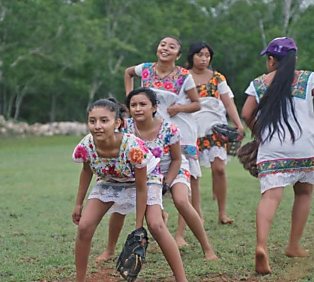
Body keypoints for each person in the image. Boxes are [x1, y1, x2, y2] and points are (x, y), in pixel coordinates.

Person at [240, 37, 314, 275]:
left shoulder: (259, 83)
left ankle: (261, 246)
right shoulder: (308, 78)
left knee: (270, 197)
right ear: (294, 59)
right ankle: (293, 245)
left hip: (272, 148)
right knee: (303, 193)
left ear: (271, 60)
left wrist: (258, 132)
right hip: (304, 147)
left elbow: (246, 112)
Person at [96, 88, 218, 263]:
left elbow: (176, 159)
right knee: (120, 205)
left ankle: (207, 248)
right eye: (133, 105)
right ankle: (109, 250)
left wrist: (166, 183)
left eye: (143, 104)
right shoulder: (125, 128)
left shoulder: (170, 129)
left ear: (154, 107)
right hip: (142, 172)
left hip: (172, 169)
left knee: (181, 201)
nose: (138, 109)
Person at [72, 98, 187, 282]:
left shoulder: (132, 147)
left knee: (156, 225)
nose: (97, 126)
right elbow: (87, 170)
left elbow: (141, 189)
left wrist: (138, 227)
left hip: (145, 179)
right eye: (92, 121)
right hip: (111, 178)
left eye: (104, 120)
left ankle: (182, 279)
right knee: (84, 227)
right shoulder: (87, 145)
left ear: (117, 123)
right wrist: (78, 204)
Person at [124, 36, 203, 230]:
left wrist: (179, 109)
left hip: (179, 130)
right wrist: (130, 99)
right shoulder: (146, 69)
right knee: (150, 176)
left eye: (172, 46)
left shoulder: (184, 76)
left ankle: (181, 235)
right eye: (162, 44)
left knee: (183, 183)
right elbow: (128, 73)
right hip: (150, 132)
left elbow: (197, 103)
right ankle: (159, 217)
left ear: (178, 54)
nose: (165, 48)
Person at [179, 41, 244, 236]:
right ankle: (196, 214)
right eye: (200, 55)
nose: (204, 59)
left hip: (215, 128)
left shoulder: (217, 78)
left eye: (207, 55)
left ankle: (222, 213)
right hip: (190, 129)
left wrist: (238, 123)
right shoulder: (182, 76)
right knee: (193, 175)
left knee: (220, 169)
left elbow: (228, 102)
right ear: (192, 56)